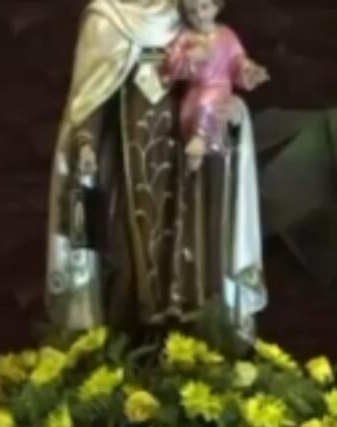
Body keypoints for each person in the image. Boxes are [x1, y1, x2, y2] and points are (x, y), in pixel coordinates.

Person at [45, 0, 267, 341]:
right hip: (125, 175)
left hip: (188, 170)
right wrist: (86, 143)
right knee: (124, 258)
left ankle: (196, 347)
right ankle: (125, 349)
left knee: (194, 255)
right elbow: (89, 100)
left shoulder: (190, 11)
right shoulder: (107, 21)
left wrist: (233, 113)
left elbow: (222, 75)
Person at [163, 0, 269, 172]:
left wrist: (250, 71)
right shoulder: (185, 37)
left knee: (209, 103)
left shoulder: (227, 35)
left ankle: (200, 140)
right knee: (198, 104)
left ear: (216, 7)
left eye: (204, 7)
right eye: (191, 11)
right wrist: (189, 58)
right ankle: (196, 140)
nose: (199, 15)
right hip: (194, 93)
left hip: (220, 90)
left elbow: (238, 62)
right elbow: (171, 66)